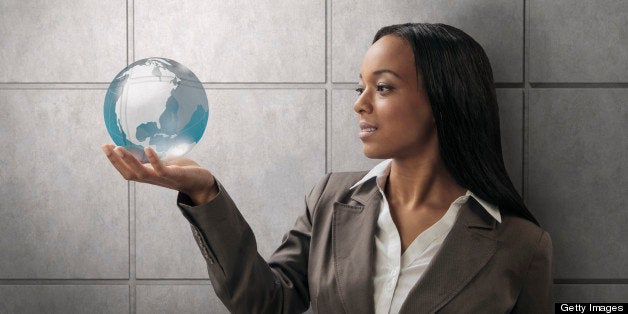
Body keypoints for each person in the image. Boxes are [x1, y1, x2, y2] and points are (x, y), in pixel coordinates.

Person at [102, 23, 553, 313]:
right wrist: (205, 193)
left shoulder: (520, 244)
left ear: (443, 101)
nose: (360, 104)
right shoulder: (331, 200)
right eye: (360, 88)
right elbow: (267, 303)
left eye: (383, 87)